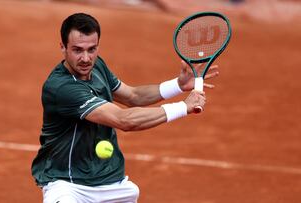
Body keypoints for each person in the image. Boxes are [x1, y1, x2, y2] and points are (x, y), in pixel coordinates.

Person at [31, 13, 219, 203]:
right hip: (68, 185)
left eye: (92, 49)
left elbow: (133, 96)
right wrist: (183, 107)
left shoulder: (97, 67)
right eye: (77, 50)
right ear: (62, 47)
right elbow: (124, 120)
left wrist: (177, 85)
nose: (86, 58)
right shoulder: (62, 88)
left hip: (111, 182)